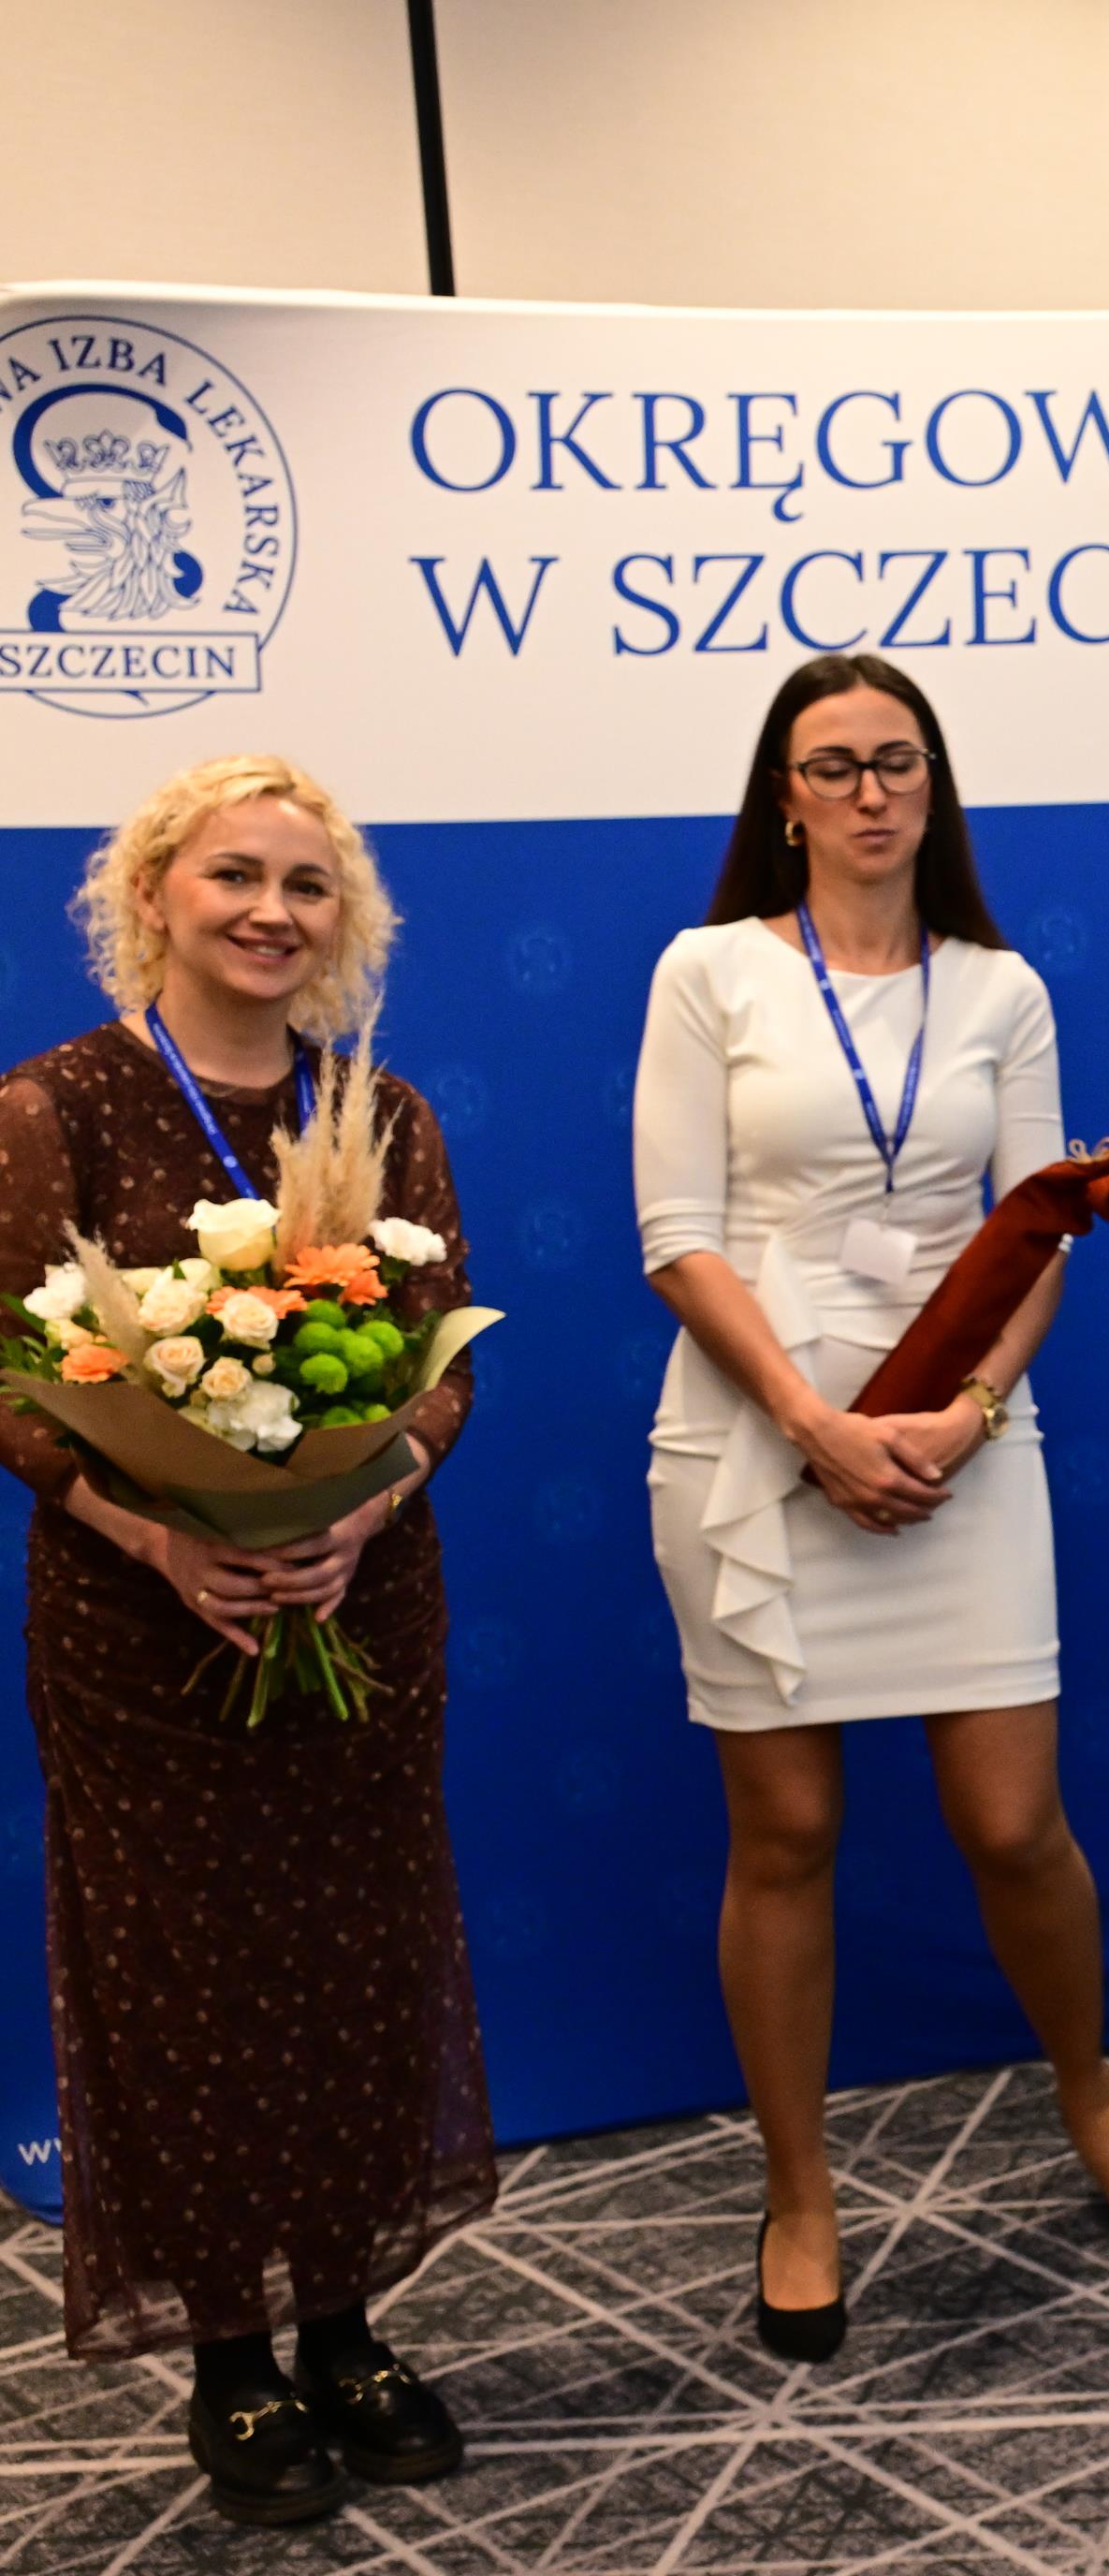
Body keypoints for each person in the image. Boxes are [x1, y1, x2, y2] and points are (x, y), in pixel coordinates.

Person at [635, 652, 1109, 2364]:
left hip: (963, 1438)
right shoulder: (711, 970)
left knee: (1013, 1824)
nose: (870, 790)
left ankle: (1088, 2094)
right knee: (786, 1835)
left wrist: (968, 1411)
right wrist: (811, 1423)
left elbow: (1041, 1223)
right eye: (835, 765)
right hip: (755, 1444)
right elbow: (677, 1235)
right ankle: (799, 2195)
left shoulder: (1003, 989)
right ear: (784, 799)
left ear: (933, 786)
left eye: (898, 760)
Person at [0, 755, 487, 2525]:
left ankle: (345, 2325)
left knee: (353, 1965)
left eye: (306, 884)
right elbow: (17, 1388)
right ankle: (231, 2356)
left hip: (362, 1607)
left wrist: (357, 1511)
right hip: (142, 1639)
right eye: (234, 876)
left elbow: (443, 1367)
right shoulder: (53, 1106)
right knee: (184, 1991)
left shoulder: (385, 1113)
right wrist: (162, 1534)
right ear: (153, 896)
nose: (271, 912)